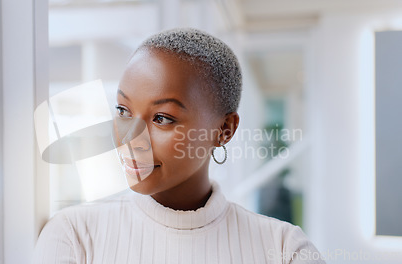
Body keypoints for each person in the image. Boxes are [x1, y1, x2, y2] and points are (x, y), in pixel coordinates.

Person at [33, 28, 325, 264]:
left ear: (224, 130)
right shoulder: (74, 236)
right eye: (123, 111)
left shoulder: (285, 249)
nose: (130, 138)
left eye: (161, 118)